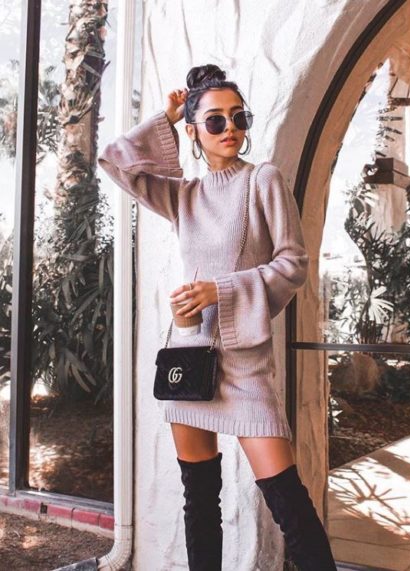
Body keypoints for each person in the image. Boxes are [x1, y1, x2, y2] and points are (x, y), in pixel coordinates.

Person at [98, 63, 337, 571]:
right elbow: (115, 161)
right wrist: (165, 117)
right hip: (189, 358)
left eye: (238, 117)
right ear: (193, 131)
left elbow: (293, 263)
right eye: (214, 120)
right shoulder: (183, 195)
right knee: (200, 501)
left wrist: (219, 289)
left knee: (289, 504)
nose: (230, 128)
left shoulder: (263, 180)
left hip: (244, 362)